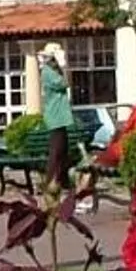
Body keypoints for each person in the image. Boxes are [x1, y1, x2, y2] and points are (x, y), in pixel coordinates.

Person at [38, 43, 76, 187]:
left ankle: (63, 180)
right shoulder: (47, 72)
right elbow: (65, 82)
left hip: (60, 116)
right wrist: (64, 66)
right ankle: (50, 182)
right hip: (56, 116)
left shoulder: (53, 71)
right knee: (56, 150)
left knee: (63, 150)